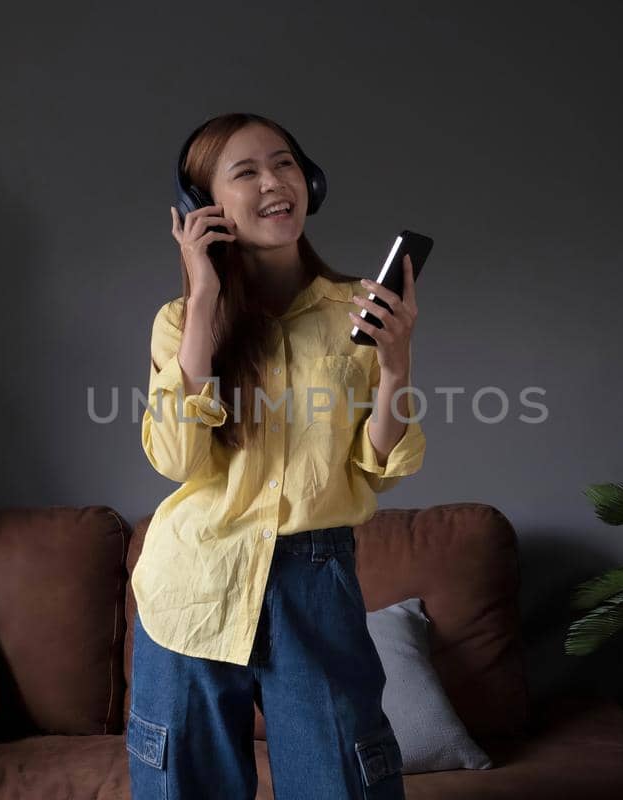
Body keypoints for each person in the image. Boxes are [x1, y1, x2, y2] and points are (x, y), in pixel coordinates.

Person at [127, 112, 426, 800]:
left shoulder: (357, 309)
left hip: (315, 582)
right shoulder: (179, 321)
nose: (274, 182)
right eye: (247, 172)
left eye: (285, 163)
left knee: (341, 783)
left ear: (309, 181)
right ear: (204, 208)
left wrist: (395, 368)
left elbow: (379, 463)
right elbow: (175, 457)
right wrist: (202, 300)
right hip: (192, 584)